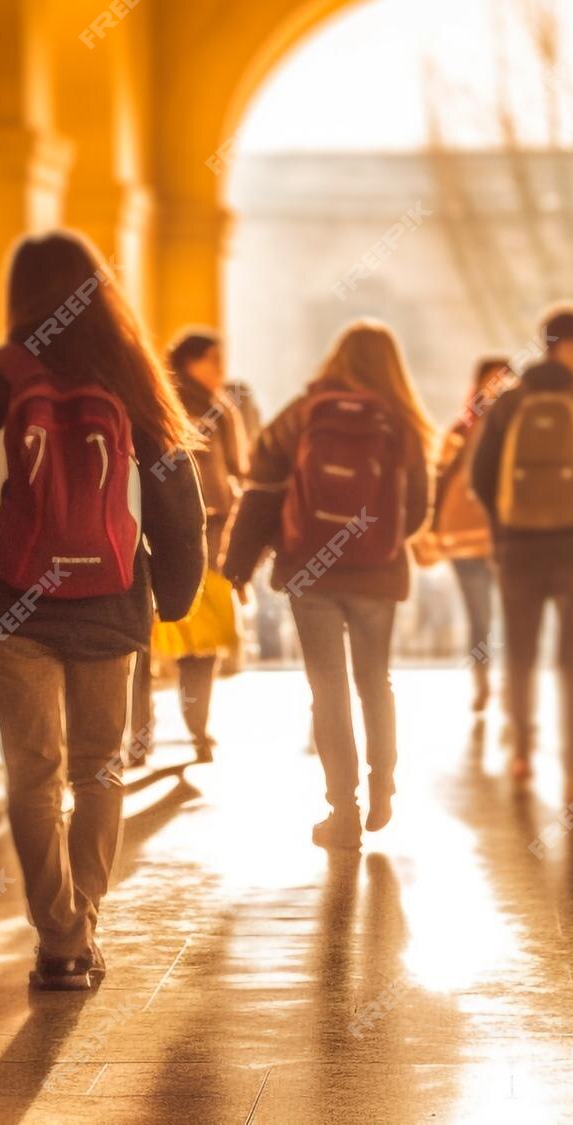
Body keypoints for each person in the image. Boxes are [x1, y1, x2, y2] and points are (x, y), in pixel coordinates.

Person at [0, 231, 206, 990]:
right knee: (99, 767)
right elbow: (181, 502)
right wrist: (174, 597)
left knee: (34, 775)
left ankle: (59, 937)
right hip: (111, 602)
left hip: (14, 606)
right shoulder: (132, 378)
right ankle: (84, 923)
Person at [222, 321, 432, 850]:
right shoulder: (402, 422)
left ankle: (343, 811)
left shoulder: (304, 413)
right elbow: (417, 508)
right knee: (374, 681)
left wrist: (239, 566)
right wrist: (377, 542)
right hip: (378, 575)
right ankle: (382, 783)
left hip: (310, 570)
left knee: (328, 687)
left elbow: (262, 491)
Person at [469, 307, 573, 803]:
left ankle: (520, 753)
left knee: (520, 653)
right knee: (572, 662)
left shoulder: (510, 401)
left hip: (519, 547)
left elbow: (480, 475)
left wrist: (504, 529)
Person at [129, 329, 245, 765]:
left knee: (140, 640)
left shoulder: (148, 400)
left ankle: (140, 738)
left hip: (142, 537)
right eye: (214, 361)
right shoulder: (216, 409)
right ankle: (197, 732)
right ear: (193, 362)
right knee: (201, 646)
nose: (220, 371)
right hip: (207, 539)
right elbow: (239, 470)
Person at [419, 358, 509, 712]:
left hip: (509, 538)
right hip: (464, 537)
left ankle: (508, 680)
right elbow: (439, 480)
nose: (497, 388)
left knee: (511, 613)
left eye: (504, 381)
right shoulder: (460, 431)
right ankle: (484, 682)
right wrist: (429, 527)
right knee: (480, 614)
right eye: (491, 381)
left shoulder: (522, 427)